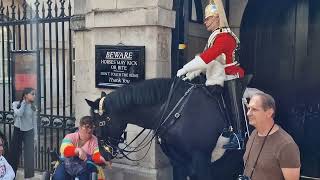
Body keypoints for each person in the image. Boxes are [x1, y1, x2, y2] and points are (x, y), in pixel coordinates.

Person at [178, 0, 247, 153]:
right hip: (218, 74)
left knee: (231, 102)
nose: (205, 21)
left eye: (208, 18)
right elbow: (206, 61)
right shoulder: (215, 37)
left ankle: (239, 135)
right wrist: (190, 75)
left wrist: (184, 68)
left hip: (231, 76)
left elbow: (208, 57)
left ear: (217, 18)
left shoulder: (224, 37)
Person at [243, 93, 300, 180]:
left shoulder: (286, 145)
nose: (248, 113)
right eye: (248, 108)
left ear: (269, 113)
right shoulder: (254, 133)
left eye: (254, 109)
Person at [52, 116, 110, 180]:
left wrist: (100, 159)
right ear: (80, 127)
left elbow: (95, 154)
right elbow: (65, 150)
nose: (90, 130)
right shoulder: (70, 136)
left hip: (84, 165)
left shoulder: (94, 140)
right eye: (87, 127)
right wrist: (77, 150)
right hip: (66, 163)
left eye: (92, 127)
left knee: (88, 175)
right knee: (60, 177)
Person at [8, 87, 37, 179]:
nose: (34, 96)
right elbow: (19, 113)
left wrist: (35, 136)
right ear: (25, 95)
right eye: (32, 94)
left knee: (29, 154)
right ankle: (11, 175)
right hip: (18, 131)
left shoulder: (33, 107)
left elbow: (34, 122)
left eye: (34, 94)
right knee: (14, 154)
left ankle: (28, 177)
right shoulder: (16, 104)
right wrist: (24, 103)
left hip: (29, 131)